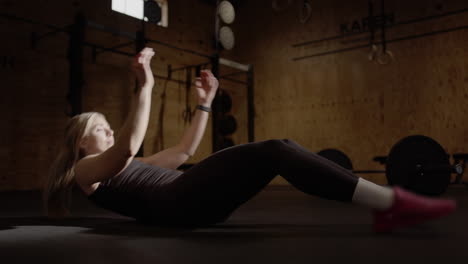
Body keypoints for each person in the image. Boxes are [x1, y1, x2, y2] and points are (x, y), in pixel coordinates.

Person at [43, 47, 456, 232]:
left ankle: (387, 203)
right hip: (179, 203)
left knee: (280, 151)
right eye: (99, 127)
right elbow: (126, 148)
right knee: (275, 150)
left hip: (188, 199)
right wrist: (146, 86)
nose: (109, 129)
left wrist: (204, 104)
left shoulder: (133, 168)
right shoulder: (85, 171)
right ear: (80, 143)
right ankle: (390, 203)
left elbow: (186, 151)